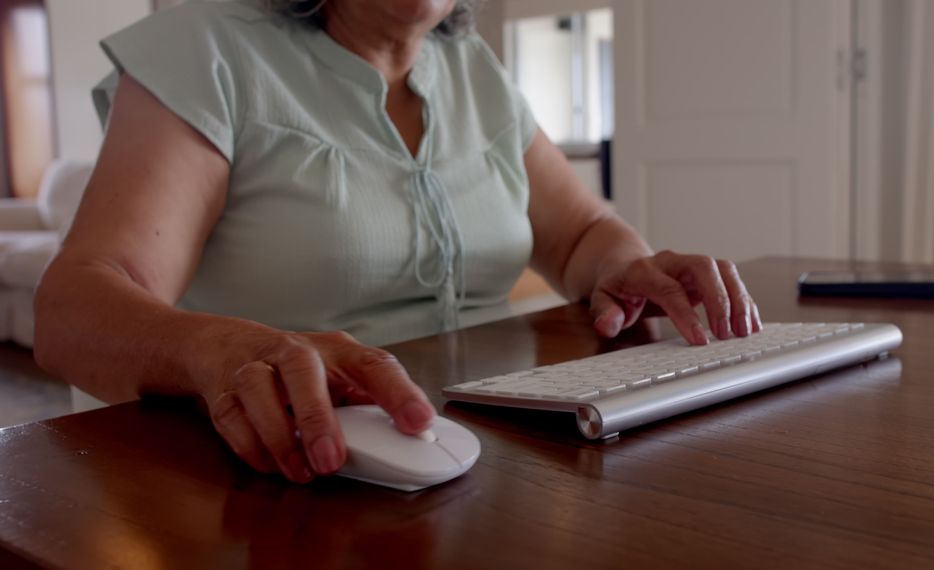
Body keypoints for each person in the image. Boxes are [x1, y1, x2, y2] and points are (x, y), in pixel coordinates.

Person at [33, 0, 762, 484]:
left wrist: (628, 266)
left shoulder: (474, 68)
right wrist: (218, 351)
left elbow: (579, 236)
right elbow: (72, 309)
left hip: (495, 457)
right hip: (279, 477)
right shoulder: (206, 50)